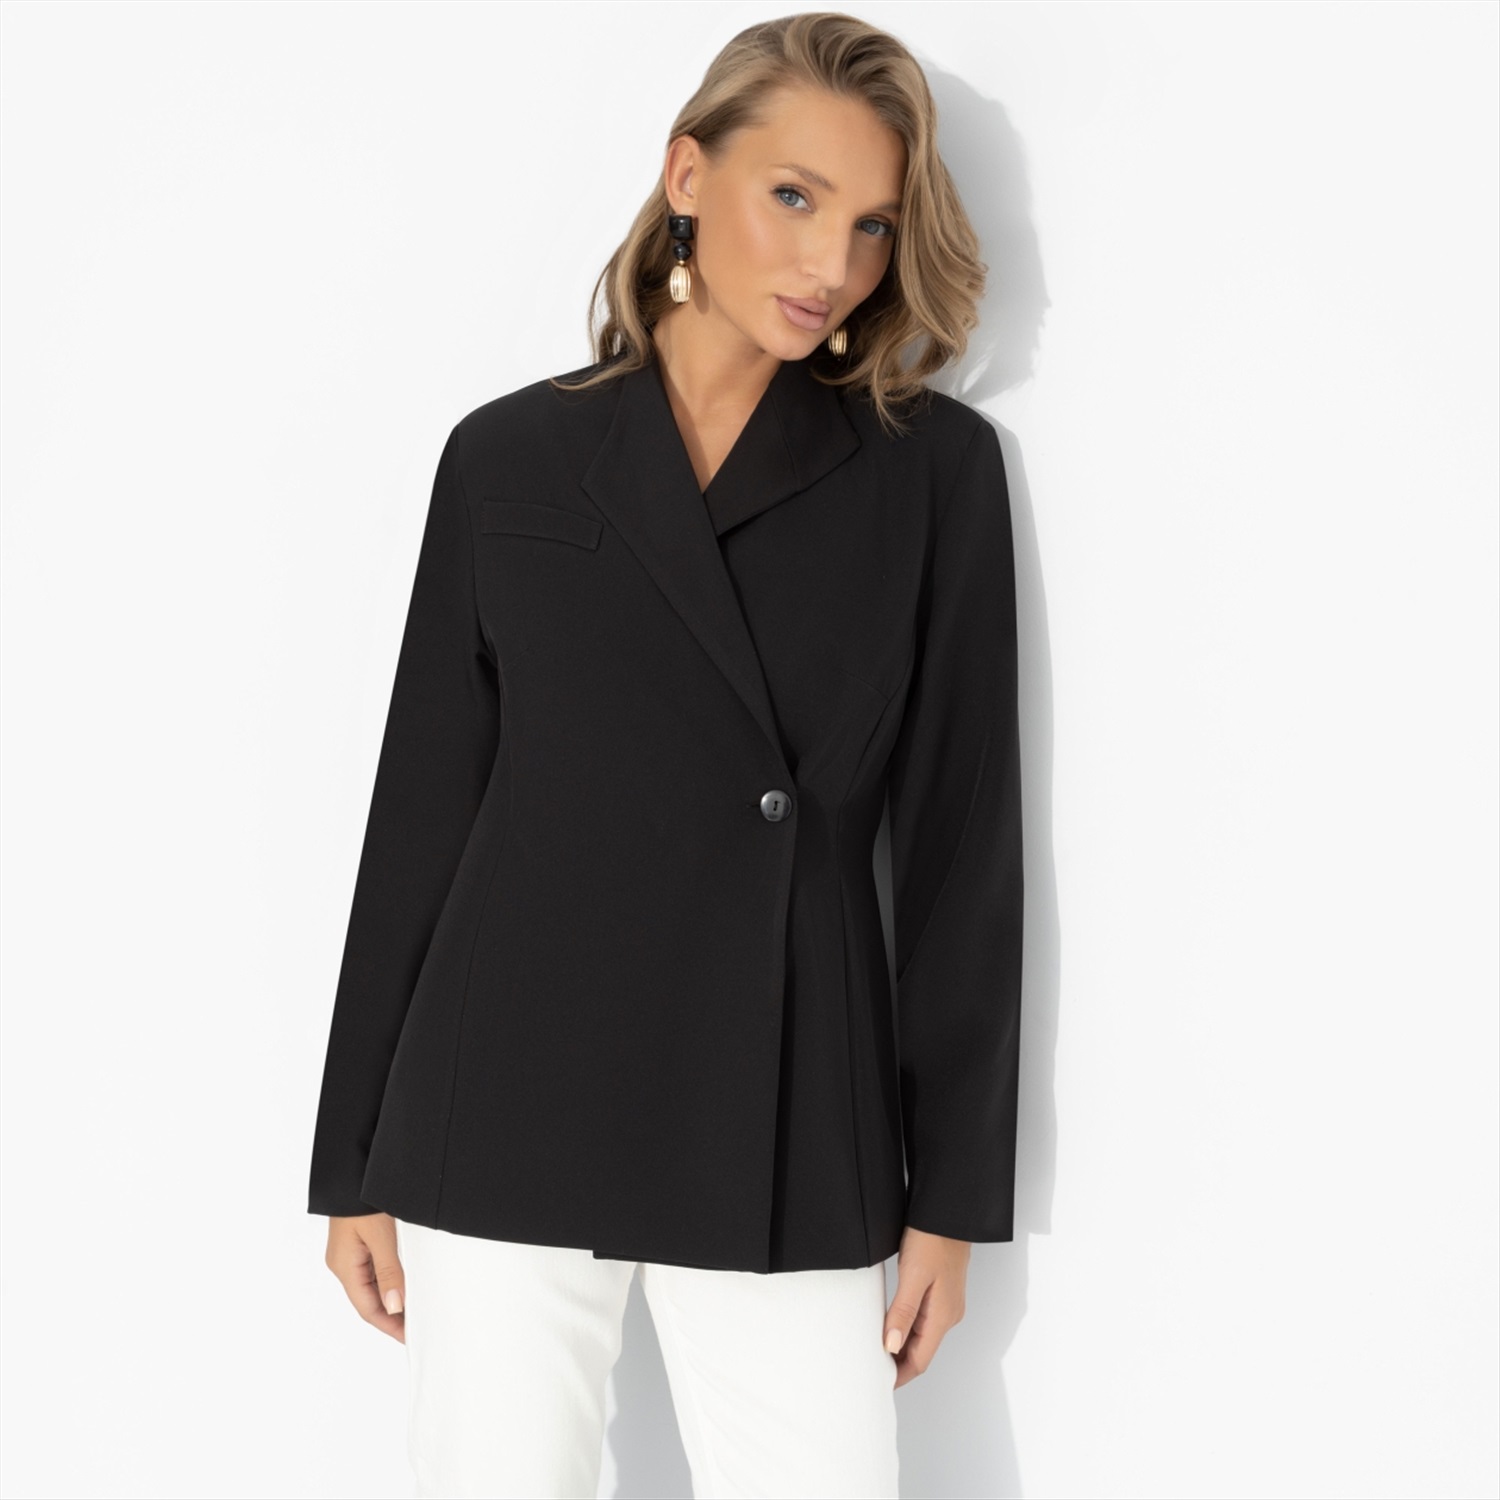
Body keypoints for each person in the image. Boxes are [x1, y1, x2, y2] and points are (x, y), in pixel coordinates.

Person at [308, 11, 1024, 1498]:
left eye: (871, 224)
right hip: (506, 1083)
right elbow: (424, 813)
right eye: (794, 195)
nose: (833, 262)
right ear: (687, 176)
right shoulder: (509, 457)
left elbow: (961, 852)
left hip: (786, 1101)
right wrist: (354, 1156)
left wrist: (951, 1198)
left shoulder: (928, 475)